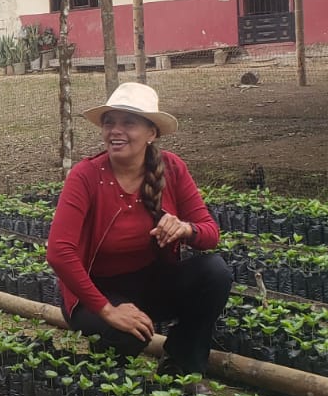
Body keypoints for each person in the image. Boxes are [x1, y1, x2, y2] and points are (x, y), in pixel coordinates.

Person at [46, 82, 232, 378]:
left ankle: (180, 366)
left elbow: (210, 234)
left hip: (149, 283)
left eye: (128, 123)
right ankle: (107, 378)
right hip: (96, 291)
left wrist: (185, 228)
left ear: (151, 133)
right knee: (128, 334)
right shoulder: (87, 176)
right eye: (109, 122)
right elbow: (59, 252)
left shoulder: (171, 168)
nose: (115, 131)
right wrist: (109, 311)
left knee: (215, 272)